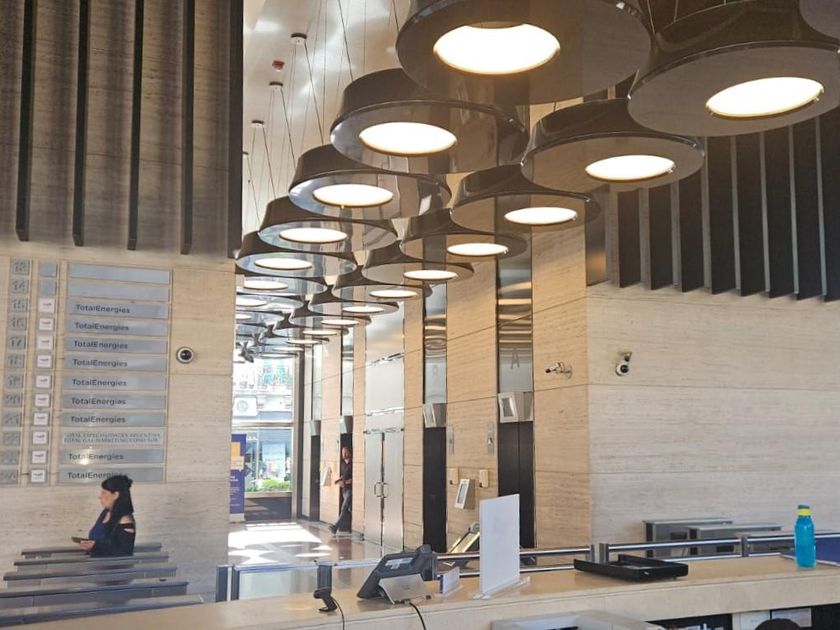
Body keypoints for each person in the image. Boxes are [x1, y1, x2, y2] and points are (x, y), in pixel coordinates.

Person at [79, 474, 136, 557]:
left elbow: (124, 551)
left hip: (110, 564)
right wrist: (90, 544)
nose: (100, 497)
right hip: (95, 561)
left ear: (115, 495)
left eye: (104, 493)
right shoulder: (105, 513)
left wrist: (95, 547)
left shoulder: (125, 520)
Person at [329, 447, 352, 535]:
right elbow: (344, 476)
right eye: (343, 452)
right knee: (347, 510)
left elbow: (353, 479)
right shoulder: (343, 464)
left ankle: (335, 527)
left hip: (350, 490)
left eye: (346, 452)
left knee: (344, 508)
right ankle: (348, 527)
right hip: (344, 490)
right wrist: (338, 480)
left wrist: (344, 482)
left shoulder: (352, 464)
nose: (344, 454)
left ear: (349, 453)